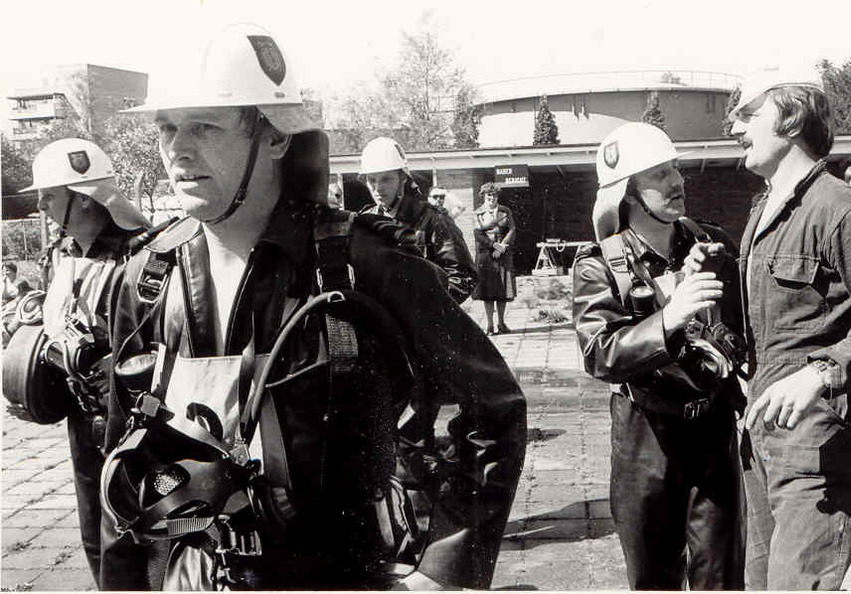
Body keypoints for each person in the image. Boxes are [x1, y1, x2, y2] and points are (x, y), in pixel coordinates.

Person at [101, 24, 525, 591]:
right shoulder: (149, 279)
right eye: (167, 127)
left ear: (275, 137)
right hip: (188, 575)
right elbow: (122, 457)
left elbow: (494, 408)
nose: (178, 149)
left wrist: (443, 569)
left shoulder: (361, 265)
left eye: (205, 126)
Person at [725, 67, 851, 589]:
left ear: (791, 117)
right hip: (765, 427)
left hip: (819, 434)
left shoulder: (841, 208)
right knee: (760, 583)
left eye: (748, 113)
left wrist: (820, 373)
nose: (734, 126)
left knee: (798, 585)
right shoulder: (766, 210)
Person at [572, 122, 745, 590]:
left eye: (675, 169)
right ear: (627, 191)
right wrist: (670, 318)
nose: (676, 182)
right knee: (653, 578)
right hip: (645, 437)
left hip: (712, 428)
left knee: (722, 575)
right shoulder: (599, 264)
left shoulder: (711, 244)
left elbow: (742, 329)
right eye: (659, 174)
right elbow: (599, 352)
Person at [15, 138, 151, 586]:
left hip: (131, 420)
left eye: (49, 195)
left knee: (136, 534)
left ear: (86, 198)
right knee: (94, 532)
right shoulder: (63, 253)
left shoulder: (143, 256)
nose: (40, 205)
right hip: (82, 417)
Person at [359, 137, 477, 304]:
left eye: (386, 179)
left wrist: (423, 308)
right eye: (372, 180)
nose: (378, 188)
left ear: (403, 178)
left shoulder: (433, 219)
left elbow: (463, 276)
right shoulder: (364, 222)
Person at [472, 183, 516, 335]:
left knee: (502, 290)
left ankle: (501, 323)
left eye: (494, 195)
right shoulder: (478, 213)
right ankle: (490, 325)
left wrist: (502, 246)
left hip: (503, 253)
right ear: (483, 196)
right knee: (488, 292)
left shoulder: (505, 211)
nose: (492, 198)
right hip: (486, 255)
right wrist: (493, 246)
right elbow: (478, 234)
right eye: (489, 195)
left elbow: (512, 229)